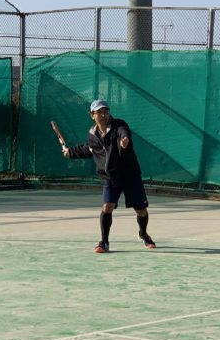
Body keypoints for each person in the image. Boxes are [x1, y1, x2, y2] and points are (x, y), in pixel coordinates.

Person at [62, 99, 155, 253]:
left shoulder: (118, 125)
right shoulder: (92, 135)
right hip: (110, 177)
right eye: (99, 112)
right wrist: (70, 152)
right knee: (107, 207)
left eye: (106, 111)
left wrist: (125, 140)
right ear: (92, 115)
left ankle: (143, 234)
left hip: (130, 175)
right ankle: (104, 242)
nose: (104, 115)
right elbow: (88, 148)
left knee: (141, 210)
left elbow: (124, 132)